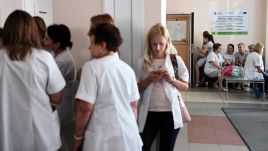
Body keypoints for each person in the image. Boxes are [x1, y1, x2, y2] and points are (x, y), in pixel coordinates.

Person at [0, 10, 66, 151]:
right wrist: (53, 103)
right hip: (40, 130)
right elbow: (57, 96)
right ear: (31, 31)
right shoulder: (44, 57)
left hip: (7, 130)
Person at [74, 23, 142, 151]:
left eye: (92, 43)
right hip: (129, 136)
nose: (89, 47)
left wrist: (78, 137)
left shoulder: (91, 67)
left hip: (102, 139)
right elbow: (133, 107)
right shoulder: (127, 69)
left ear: (103, 45)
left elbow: (85, 109)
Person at [135, 23, 189, 151]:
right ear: (149, 43)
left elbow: (185, 86)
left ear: (168, 42)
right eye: (154, 44)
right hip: (148, 114)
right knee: (141, 147)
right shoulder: (141, 62)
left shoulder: (176, 60)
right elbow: (136, 88)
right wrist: (149, 79)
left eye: (161, 44)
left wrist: (171, 79)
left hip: (170, 114)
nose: (158, 48)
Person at [43, 24, 76, 151]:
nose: (43, 41)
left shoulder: (63, 60)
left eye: (47, 39)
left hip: (62, 105)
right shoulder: (56, 54)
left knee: (58, 139)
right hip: (58, 102)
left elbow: (48, 83)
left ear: (56, 44)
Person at [76, 13, 115, 82]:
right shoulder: (96, 54)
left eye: (91, 30)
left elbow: (82, 75)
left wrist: (83, 72)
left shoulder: (110, 61)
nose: (88, 33)